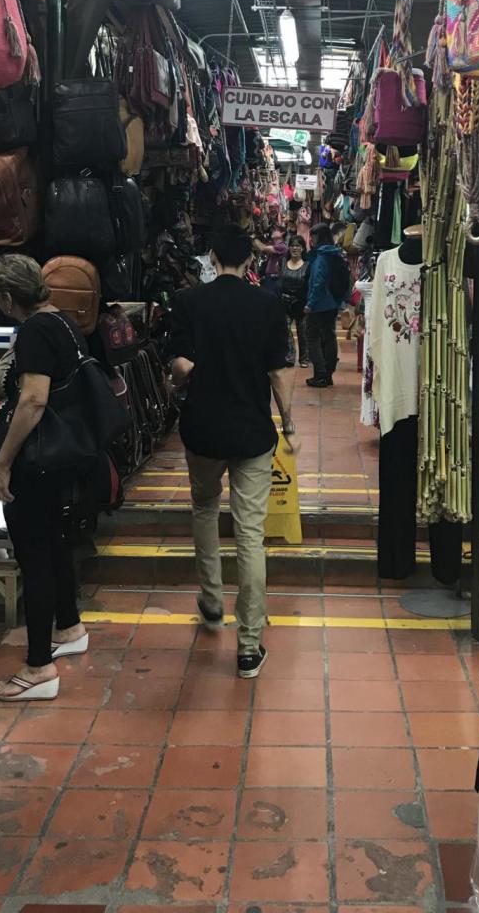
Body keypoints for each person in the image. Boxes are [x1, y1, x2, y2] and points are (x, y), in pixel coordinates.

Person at [168, 224, 298, 678]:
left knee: (204, 509)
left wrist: (191, 371)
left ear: (211, 256)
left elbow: (180, 365)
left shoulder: (187, 302)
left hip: (202, 428)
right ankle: (247, 647)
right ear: (249, 261)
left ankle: (209, 601)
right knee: (250, 533)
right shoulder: (266, 305)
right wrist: (290, 425)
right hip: (251, 432)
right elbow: (278, 373)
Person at [0, 254, 89, 703]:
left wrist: (3, 463)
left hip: (34, 459)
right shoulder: (63, 322)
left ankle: (39, 666)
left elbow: (33, 399)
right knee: (54, 543)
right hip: (60, 456)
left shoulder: (34, 332)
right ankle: (69, 626)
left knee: (34, 555)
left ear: (7, 298)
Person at [305, 221, 351, 388]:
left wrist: (310, 304)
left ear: (320, 237)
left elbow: (318, 282)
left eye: (314, 236)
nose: (311, 240)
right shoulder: (336, 254)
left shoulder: (322, 256)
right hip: (332, 303)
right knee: (329, 335)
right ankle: (328, 372)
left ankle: (321, 374)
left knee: (312, 337)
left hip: (319, 304)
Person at [279, 235, 310, 367]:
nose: (295, 248)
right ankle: (290, 356)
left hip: (302, 303)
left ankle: (304, 359)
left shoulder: (308, 265)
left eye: (298, 245)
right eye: (292, 245)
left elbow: (309, 285)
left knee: (303, 332)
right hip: (285, 303)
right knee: (285, 330)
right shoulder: (282, 263)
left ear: (303, 248)